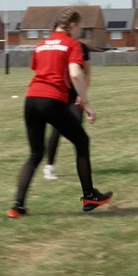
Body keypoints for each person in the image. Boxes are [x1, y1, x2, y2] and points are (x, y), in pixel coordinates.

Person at [8, 8, 112, 218]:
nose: (79, 31)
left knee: (35, 154)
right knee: (82, 142)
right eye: (79, 27)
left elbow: (39, 70)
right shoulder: (72, 44)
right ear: (71, 25)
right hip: (51, 100)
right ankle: (89, 196)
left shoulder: (41, 45)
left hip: (31, 100)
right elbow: (75, 73)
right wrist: (87, 103)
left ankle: (17, 206)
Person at [43, 33, 90, 181]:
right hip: (59, 95)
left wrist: (82, 94)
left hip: (75, 96)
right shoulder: (59, 46)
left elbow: (87, 73)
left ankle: (81, 165)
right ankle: (49, 167)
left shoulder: (82, 47)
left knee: (77, 131)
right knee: (56, 131)